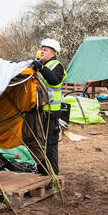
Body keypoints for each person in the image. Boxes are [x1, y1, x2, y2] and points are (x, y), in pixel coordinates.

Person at [31, 38, 68, 176]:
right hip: (39, 112)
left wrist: (41, 68)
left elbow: (54, 80)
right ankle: (42, 175)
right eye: (42, 49)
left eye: (45, 50)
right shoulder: (40, 65)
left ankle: (53, 177)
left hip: (51, 114)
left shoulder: (56, 66)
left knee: (50, 146)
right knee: (39, 145)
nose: (42, 51)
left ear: (53, 54)